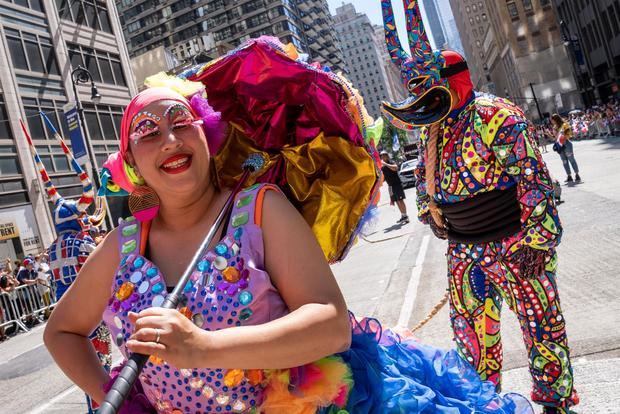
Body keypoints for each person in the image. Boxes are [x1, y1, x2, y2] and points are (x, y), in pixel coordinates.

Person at [44, 38, 532, 414]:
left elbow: (331, 324)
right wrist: (121, 397)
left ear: (207, 134)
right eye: (148, 133)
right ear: (131, 164)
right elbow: (61, 332)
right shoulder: (122, 245)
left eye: (180, 121)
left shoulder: (258, 209)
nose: (169, 139)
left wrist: (203, 347)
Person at [380, 1, 578, 412]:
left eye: (426, 88)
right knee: (471, 338)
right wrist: (428, 213)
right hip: (465, 252)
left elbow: (533, 177)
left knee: (541, 327)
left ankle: (554, 401)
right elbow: (428, 182)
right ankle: (482, 400)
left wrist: (537, 243)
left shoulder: (494, 115)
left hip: (516, 244)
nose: (420, 100)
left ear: (454, 82)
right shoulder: (432, 131)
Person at [22, 112, 112, 414]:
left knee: (85, 372)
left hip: (64, 316)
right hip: (88, 314)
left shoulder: (52, 249)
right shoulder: (82, 243)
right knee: (102, 366)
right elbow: (100, 271)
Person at [380, 150, 409, 224]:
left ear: (387, 156)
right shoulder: (383, 167)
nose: (383, 157)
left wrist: (385, 164)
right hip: (391, 187)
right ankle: (403, 216)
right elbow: (383, 179)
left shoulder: (390, 162)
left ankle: (406, 216)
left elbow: (395, 168)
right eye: (382, 156)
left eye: (384, 155)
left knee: (400, 200)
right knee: (396, 201)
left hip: (397, 185)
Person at [551, 114, 581, 183]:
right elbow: (555, 138)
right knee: (564, 161)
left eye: (552, 120)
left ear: (556, 119)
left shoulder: (564, 125)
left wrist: (562, 135)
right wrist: (552, 134)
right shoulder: (554, 127)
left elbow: (569, 134)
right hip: (560, 146)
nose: (552, 122)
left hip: (566, 144)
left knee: (571, 159)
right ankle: (569, 176)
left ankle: (577, 174)